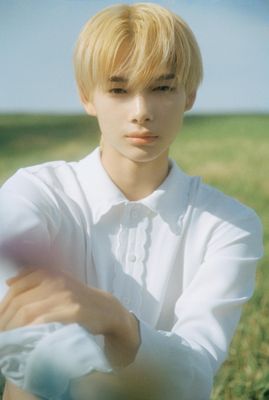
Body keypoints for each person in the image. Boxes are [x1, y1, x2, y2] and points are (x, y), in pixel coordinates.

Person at [0, 2, 263, 399]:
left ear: (189, 95)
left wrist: (117, 321)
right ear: (88, 97)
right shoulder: (35, 194)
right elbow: (24, 337)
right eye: (119, 90)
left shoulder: (229, 225)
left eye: (162, 87)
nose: (141, 112)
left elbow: (193, 379)